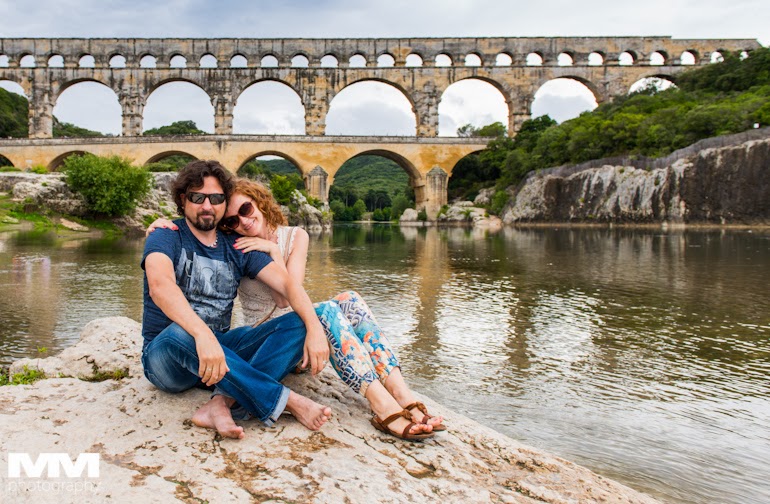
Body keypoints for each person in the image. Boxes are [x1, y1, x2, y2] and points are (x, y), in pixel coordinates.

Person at [149, 178, 444, 440]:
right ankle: (293, 401)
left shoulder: (269, 240)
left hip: (264, 340)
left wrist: (314, 327)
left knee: (346, 301)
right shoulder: (215, 240)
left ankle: (401, 396)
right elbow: (171, 271)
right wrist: (159, 226)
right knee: (182, 331)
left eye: (245, 210)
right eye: (233, 221)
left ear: (258, 203)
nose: (241, 221)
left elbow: (289, 293)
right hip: (214, 343)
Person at [141, 160, 331, 440]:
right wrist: (202, 334)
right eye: (197, 197)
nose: (207, 205)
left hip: (217, 357)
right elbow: (160, 286)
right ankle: (285, 401)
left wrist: (315, 329)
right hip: (168, 358)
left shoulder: (237, 245)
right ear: (183, 200)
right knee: (179, 332)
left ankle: (219, 403)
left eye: (216, 199)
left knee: (299, 322)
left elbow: (289, 286)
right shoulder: (166, 236)